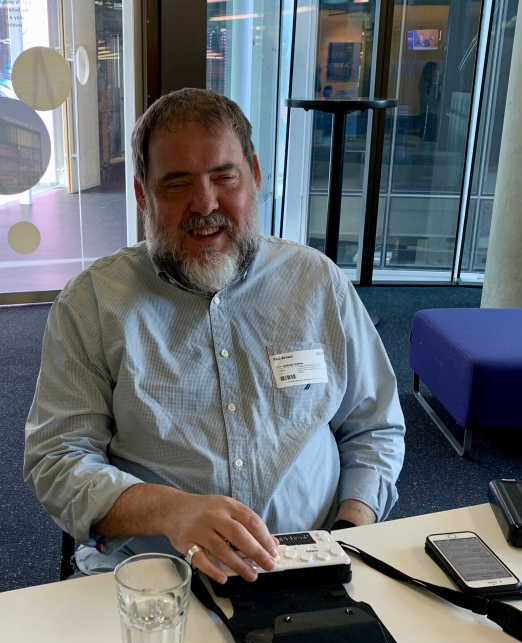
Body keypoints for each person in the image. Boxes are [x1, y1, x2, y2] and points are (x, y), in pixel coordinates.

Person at [24, 88, 405, 585]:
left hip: (316, 563)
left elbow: (374, 427)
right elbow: (57, 459)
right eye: (177, 184)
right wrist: (169, 510)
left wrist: (351, 531)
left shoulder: (317, 283)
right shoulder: (94, 303)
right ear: (143, 195)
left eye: (224, 177)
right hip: (152, 578)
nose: (205, 204)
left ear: (255, 176)